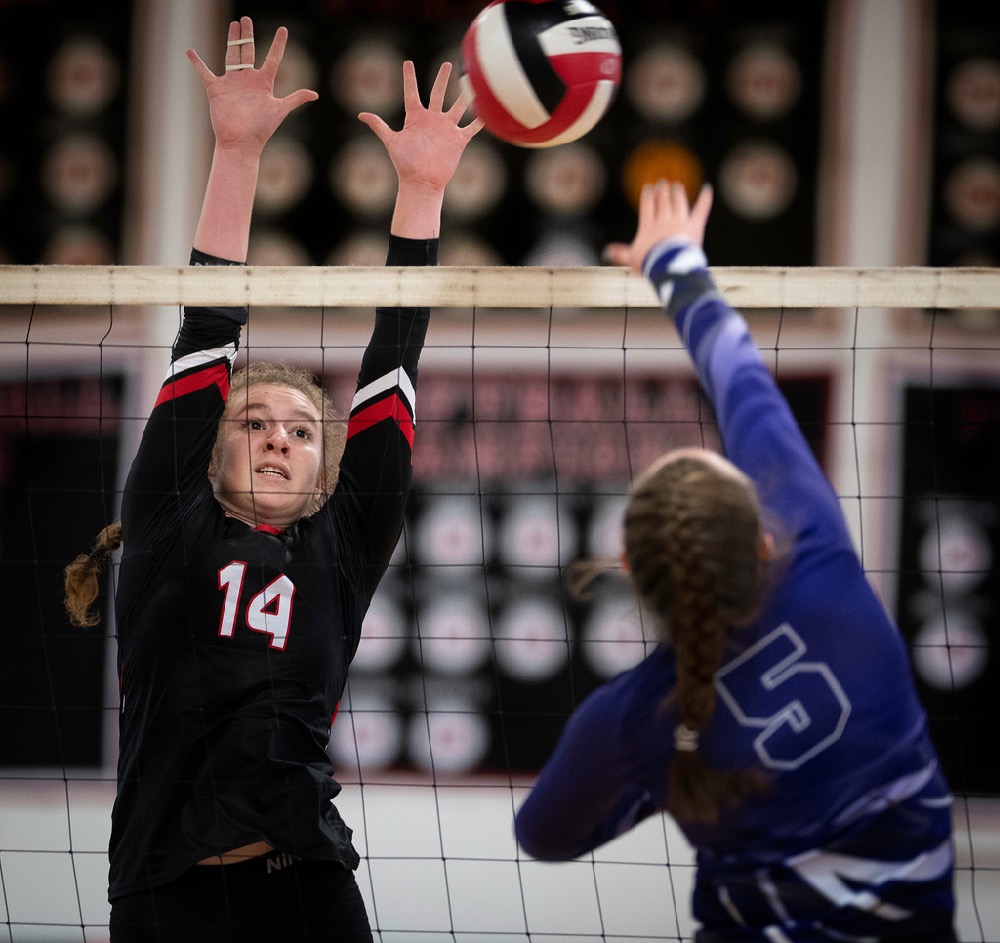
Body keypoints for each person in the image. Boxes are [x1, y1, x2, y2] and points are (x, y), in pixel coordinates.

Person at [63, 16, 481, 941]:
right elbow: (209, 323)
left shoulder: (344, 544)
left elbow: (394, 361)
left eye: (301, 430)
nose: (280, 439)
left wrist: (420, 193)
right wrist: (239, 153)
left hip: (310, 891)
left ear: (329, 468)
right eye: (253, 422)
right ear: (210, 450)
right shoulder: (171, 523)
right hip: (165, 895)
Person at [513, 181, 957, 942]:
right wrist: (675, 259)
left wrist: (656, 781)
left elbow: (542, 837)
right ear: (762, 537)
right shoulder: (817, 556)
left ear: (628, 562)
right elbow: (739, 373)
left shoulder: (635, 717)